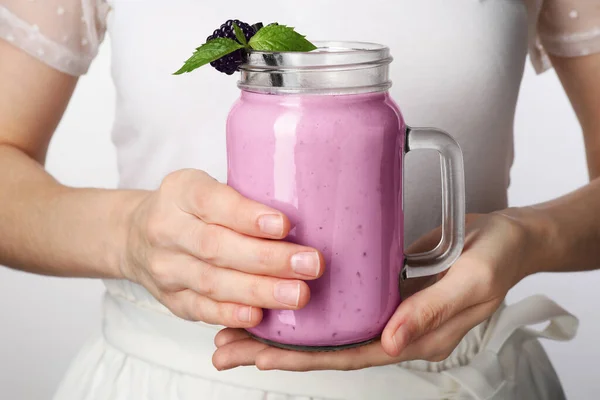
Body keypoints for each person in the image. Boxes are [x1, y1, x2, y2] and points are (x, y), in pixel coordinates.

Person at [0, 0, 598, 399]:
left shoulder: (378, 114)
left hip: (461, 376)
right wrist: (127, 234)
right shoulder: (256, 110)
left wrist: (531, 237)